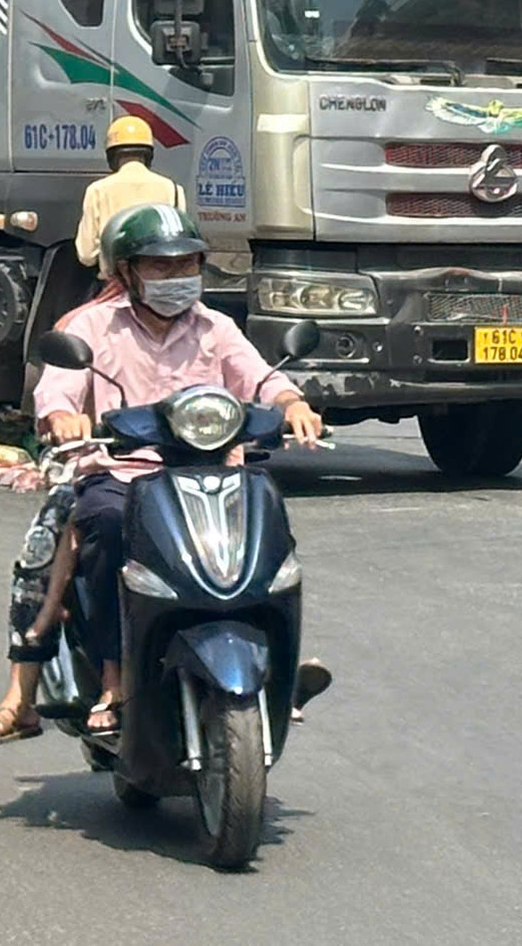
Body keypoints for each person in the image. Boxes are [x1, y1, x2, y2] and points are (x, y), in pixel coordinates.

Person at [37, 202, 325, 735]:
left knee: (270, 526)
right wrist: (63, 417)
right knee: (101, 525)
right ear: (125, 272)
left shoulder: (216, 327)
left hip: (216, 474)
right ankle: (114, 675)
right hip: (126, 476)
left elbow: (260, 379)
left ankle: (280, 669)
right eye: (161, 266)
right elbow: (57, 391)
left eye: (188, 265)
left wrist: (293, 405)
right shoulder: (92, 327)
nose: (178, 278)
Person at [74, 116, 186, 275]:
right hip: (160, 286)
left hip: (116, 285)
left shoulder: (97, 190)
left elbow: (86, 255)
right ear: (149, 154)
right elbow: (180, 244)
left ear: (111, 156)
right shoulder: (172, 189)